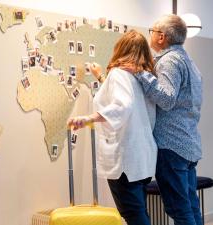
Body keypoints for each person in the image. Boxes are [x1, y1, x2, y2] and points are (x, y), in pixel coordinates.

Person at [91, 14, 203, 225]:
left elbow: (167, 99)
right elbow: (134, 100)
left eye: (152, 31)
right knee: (189, 207)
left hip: (172, 146)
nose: (150, 36)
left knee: (179, 210)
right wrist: (103, 77)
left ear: (161, 37)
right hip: (187, 144)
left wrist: (140, 73)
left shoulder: (169, 61)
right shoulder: (188, 61)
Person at [68, 30, 157, 225]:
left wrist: (88, 118)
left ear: (121, 49)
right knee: (139, 211)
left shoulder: (118, 74)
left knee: (133, 214)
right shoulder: (143, 77)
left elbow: (122, 105)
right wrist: (101, 77)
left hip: (125, 158)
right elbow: (125, 100)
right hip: (143, 157)